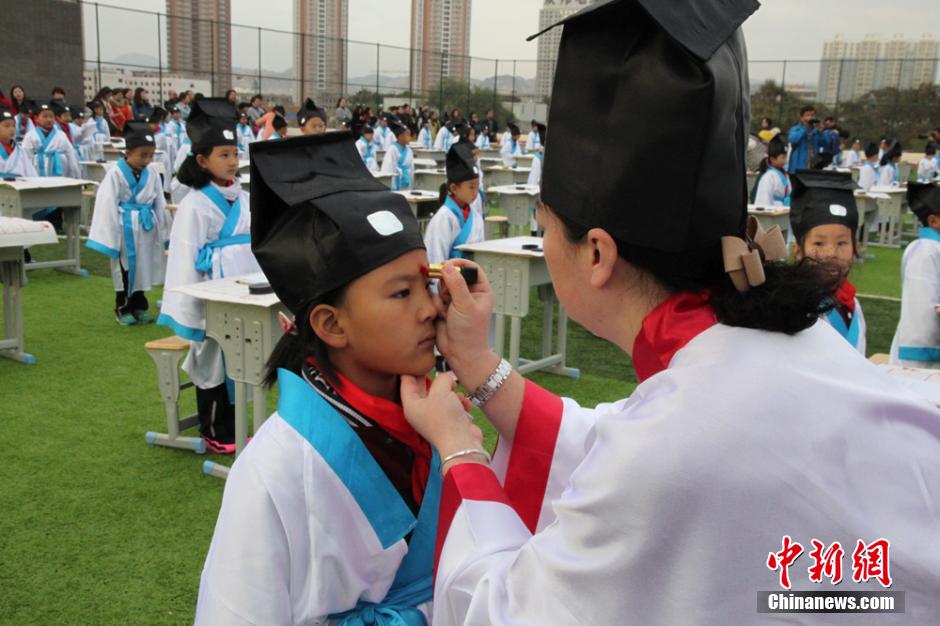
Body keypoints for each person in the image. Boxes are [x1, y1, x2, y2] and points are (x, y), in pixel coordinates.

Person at [397, 1, 940, 624]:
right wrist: (477, 363)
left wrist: (459, 449)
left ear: (597, 253)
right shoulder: (777, 345)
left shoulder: (674, 446)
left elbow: (507, 610)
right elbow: (607, 439)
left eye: (545, 227)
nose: (543, 240)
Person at [195, 131, 440, 625]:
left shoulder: (429, 419)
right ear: (331, 324)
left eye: (428, 284)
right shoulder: (273, 469)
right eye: (401, 294)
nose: (430, 309)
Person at [157, 98, 261, 454]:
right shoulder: (195, 204)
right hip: (211, 295)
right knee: (213, 359)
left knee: (242, 356)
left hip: (243, 291)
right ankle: (214, 428)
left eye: (235, 153)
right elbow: (185, 256)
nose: (232, 162)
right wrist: (191, 310)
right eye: (224, 155)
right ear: (202, 160)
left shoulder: (245, 199)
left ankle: (239, 424)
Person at [86, 121, 170, 325]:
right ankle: (123, 307)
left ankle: (140, 306)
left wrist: (165, 230)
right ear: (128, 152)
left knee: (144, 268)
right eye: (143, 155)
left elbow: (160, 200)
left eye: (150, 155)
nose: (147, 160)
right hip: (125, 228)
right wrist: (110, 237)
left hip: (145, 226)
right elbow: (106, 202)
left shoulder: (151, 174)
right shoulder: (115, 173)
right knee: (125, 270)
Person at [790, 170, 865, 354]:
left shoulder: (852, 304)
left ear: (856, 249)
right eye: (819, 243)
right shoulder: (796, 308)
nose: (831, 253)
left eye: (842, 243)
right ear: (798, 251)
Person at [890, 182, 940, 368]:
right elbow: (921, 313)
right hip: (921, 359)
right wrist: (923, 354)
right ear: (934, 221)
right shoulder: (925, 251)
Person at [424, 141, 484, 267]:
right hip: (448, 282)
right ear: (454, 188)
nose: (475, 192)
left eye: (477, 187)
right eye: (471, 187)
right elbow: (436, 259)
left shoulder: (476, 216)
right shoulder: (443, 218)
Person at [22, 100, 81, 179]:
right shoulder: (30, 135)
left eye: (51, 117)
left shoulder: (61, 135)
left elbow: (70, 154)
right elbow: (26, 156)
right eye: (45, 117)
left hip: (60, 168)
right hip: (37, 170)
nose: (49, 120)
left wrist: (75, 175)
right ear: (36, 118)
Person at [752, 135, 790, 206]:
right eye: (783, 157)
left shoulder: (785, 173)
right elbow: (763, 202)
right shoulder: (768, 177)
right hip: (775, 212)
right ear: (772, 159)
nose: (785, 160)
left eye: (786, 157)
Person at [0, 107, 37, 178]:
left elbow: (30, 172)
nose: (11, 129)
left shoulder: (20, 150)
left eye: (13, 126)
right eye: (6, 126)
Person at [381, 121, 414, 191]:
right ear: (400, 136)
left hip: (406, 182)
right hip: (396, 181)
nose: (409, 137)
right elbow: (388, 169)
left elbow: (411, 169)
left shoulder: (409, 150)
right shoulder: (392, 150)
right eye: (407, 135)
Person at [786, 105, 817, 173]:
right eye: (808, 115)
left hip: (814, 167)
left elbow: (825, 143)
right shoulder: (796, 129)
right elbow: (793, 140)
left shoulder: (816, 131)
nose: (810, 117)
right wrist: (805, 128)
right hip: (798, 167)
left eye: (812, 115)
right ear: (802, 118)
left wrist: (821, 132)